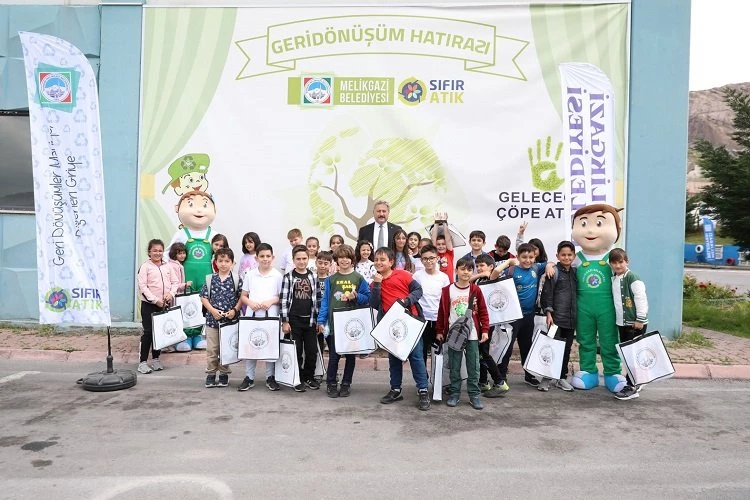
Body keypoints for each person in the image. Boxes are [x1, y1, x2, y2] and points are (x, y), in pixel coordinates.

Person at [370, 247, 431, 411]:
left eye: (383, 260)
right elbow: (374, 303)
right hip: (392, 326)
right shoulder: (375, 282)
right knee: (394, 358)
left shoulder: (403, 275)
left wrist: (407, 301)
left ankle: (423, 390)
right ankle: (395, 389)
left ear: (391, 262)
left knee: (416, 357)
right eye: (376, 260)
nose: (379, 262)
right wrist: (377, 284)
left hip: (410, 322)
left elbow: (418, 290)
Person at [436, 257, 491, 410]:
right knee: (454, 365)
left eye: (469, 269)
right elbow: (442, 312)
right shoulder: (447, 290)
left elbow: (483, 311)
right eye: (462, 269)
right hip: (454, 334)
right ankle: (454, 393)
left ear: (472, 271)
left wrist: (485, 330)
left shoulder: (475, 290)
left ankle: (474, 395)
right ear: (456, 271)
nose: (466, 272)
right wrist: (439, 330)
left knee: (474, 365)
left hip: (472, 333)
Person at [317, 244, 370, 398]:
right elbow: (325, 301)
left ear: (352, 260)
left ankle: (346, 383)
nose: (344, 260)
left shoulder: (358, 278)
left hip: (351, 325)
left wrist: (356, 296)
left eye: (347, 257)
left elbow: (367, 298)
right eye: (341, 257)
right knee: (334, 356)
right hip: (334, 324)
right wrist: (321, 320)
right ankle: (331, 383)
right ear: (336, 260)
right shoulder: (331, 279)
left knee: (350, 357)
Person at [166, 191, 217, 352]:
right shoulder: (182, 234)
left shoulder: (213, 235)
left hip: (206, 279)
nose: (199, 210)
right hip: (186, 279)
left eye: (204, 205)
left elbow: (223, 255)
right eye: (191, 205)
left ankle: (200, 336)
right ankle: (185, 337)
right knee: (186, 306)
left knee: (203, 307)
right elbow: (168, 255)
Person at [497, 243, 548, 388]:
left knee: (527, 346)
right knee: (507, 347)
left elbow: (550, 263)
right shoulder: (511, 271)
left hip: (529, 315)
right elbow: (494, 276)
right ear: (518, 257)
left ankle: (529, 374)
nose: (528, 260)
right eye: (524, 257)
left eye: (531, 257)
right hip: (513, 316)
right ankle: (501, 376)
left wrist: (550, 266)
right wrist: (508, 262)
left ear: (535, 257)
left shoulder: (536, 268)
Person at [238, 243, 283, 392]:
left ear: (273, 257)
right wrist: (250, 303)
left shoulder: (277, 275)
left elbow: (281, 297)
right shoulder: (250, 274)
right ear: (256, 258)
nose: (265, 259)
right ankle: (249, 377)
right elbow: (243, 296)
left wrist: (271, 301)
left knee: (270, 345)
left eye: (268, 256)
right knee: (251, 345)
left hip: (271, 315)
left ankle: (270, 377)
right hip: (252, 315)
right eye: (262, 256)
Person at [609, 247, 649, 401]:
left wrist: (640, 319)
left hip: (634, 324)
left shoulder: (632, 278)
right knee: (627, 356)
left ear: (627, 262)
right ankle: (637, 381)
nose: (618, 265)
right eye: (614, 263)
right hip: (623, 323)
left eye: (621, 262)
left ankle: (632, 387)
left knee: (633, 356)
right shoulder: (615, 278)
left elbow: (641, 298)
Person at [538, 241, 578, 392]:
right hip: (555, 319)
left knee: (566, 350)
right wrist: (548, 313)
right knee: (551, 348)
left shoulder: (575, 272)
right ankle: (546, 378)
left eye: (569, 255)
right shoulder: (553, 272)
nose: (566, 257)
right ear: (557, 256)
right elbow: (547, 294)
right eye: (563, 255)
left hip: (571, 319)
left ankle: (561, 378)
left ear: (574, 256)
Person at [200, 247, 242, 388]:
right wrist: (212, 311)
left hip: (230, 322)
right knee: (212, 349)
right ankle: (211, 373)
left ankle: (224, 374)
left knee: (226, 349)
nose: (223, 264)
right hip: (212, 321)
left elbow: (242, 297)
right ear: (215, 262)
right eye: (220, 261)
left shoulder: (236, 279)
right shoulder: (210, 279)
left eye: (227, 261)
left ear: (232, 263)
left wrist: (235, 310)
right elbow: (203, 297)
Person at [280, 244, 320, 392]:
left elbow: (318, 299)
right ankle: (297, 378)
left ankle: (309, 376)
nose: (301, 262)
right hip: (294, 320)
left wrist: (319, 320)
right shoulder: (288, 277)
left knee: (311, 351)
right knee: (296, 351)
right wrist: (285, 321)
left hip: (310, 320)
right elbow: (283, 300)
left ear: (308, 259)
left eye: (304, 258)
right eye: (298, 259)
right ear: (293, 260)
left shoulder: (313, 276)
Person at [136, 239, 178, 374]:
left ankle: (155, 359)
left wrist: (171, 294)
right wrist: (155, 300)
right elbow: (143, 287)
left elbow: (175, 282)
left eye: (160, 251)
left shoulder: (167, 266)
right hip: (149, 305)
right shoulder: (145, 267)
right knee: (148, 333)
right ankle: (142, 362)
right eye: (154, 250)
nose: (157, 253)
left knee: (159, 333)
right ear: (149, 252)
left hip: (164, 305)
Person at [472, 254, 506, 398]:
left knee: (484, 353)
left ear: (491, 266)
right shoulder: (479, 279)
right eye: (477, 266)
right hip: (478, 321)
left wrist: (510, 261)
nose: (479, 268)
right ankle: (483, 382)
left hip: (488, 322)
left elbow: (496, 271)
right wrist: (479, 274)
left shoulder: (491, 278)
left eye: (482, 266)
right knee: (480, 353)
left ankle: (500, 382)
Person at [412, 244, 450, 368]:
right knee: (421, 351)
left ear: (437, 258)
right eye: (425, 258)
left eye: (431, 258)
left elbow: (446, 300)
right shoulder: (417, 276)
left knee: (439, 352)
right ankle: (423, 378)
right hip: (422, 318)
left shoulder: (443, 277)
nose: (428, 261)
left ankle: (437, 378)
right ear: (421, 260)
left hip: (438, 319)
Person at [315, 250, 333, 359]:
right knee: (317, 346)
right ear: (316, 263)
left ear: (330, 265)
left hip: (328, 317)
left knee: (331, 345)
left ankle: (332, 368)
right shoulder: (312, 278)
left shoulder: (332, 280)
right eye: (320, 263)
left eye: (326, 263)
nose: (322, 266)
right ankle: (319, 368)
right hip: (315, 315)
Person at [430, 211, 455, 283]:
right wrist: (436, 223)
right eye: (438, 244)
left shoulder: (449, 253)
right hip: (437, 284)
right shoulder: (435, 254)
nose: (441, 246)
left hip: (449, 284)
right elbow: (433, 239)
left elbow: (448, 239)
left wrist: (444, 222)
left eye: (443, 244)